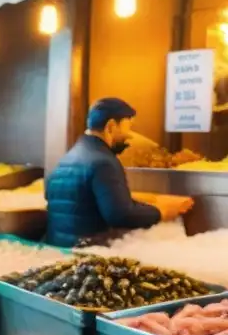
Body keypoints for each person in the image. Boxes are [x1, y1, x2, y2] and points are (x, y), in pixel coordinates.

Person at [45, 97, 174, 247]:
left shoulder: (66, 159)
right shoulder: (104, 162)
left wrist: (142, 199)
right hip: (89, 255)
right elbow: (120, 215)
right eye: (128, 127)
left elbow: (84, 200)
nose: (129, 135)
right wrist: (162, 211)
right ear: (111, 126)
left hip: (59, 251)